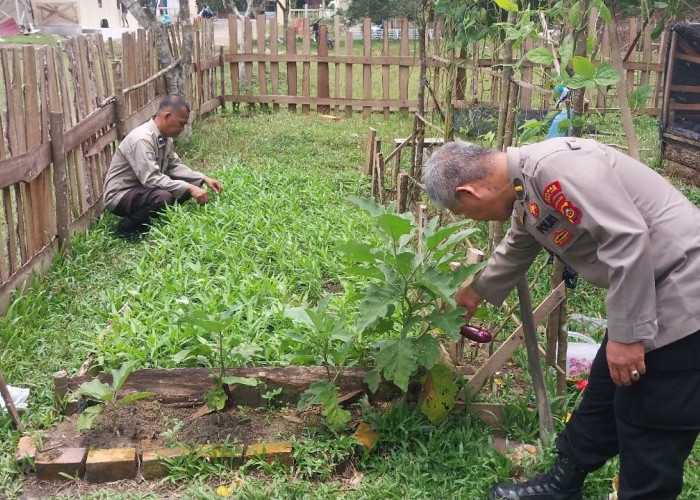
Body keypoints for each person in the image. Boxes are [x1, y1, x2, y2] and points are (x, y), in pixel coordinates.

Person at [423, 137, 700, 500]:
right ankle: (561, 486)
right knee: (604, 392)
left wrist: (627, 336)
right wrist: (474, 292)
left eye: (461, 212)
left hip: (684, 291)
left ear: (470, 192)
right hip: (651, 290)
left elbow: (628, 239)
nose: (469, 219)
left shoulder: (556, 169)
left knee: (652, 419)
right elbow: (519, 244)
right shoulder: (526, 188)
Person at [103, 94, 223, 240]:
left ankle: (153, 218)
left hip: (141, 190)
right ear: (167, 116)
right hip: (121, 195)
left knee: (185, 186)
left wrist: (203, 179)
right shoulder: (142, 139)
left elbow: (174, 167)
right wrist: (189, 188)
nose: (182, 129)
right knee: (164, 197)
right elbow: (151, 179)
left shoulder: (165, 138)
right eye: (181, 123)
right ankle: (127, 228)